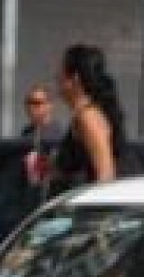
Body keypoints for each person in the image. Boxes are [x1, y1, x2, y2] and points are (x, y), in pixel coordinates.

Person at [53, 44, 126, 190]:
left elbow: (105, 174)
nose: (56, 77)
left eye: (61, 71)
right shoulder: (81, 116)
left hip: (84, 205)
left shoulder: (88, 117)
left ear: (75, 78)